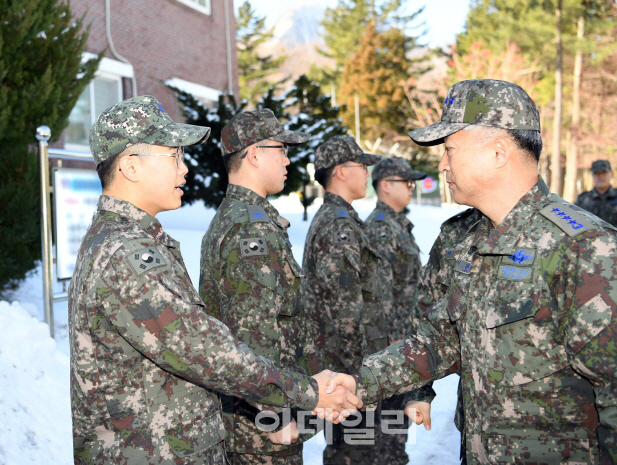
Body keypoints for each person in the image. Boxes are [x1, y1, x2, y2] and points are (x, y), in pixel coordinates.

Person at [350, 79, 617, 464]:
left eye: (450, 149)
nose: (442, 163)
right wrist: (354, 383)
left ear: (499, 152)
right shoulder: (464, 238)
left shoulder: (584, 247)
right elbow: (438, 343)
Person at [69, 96, 361, 464]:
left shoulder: (123, 240)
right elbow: (203, 348)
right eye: (172, 156)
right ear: (130, 166)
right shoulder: (125, 252)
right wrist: (304, 394)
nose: (184, 169)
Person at [199, 109, 319, 464]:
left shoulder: (240, 219)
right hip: (260, 431)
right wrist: (275, 414)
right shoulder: (252, 230)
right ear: (253, 154)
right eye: (280, 149)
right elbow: (254, 332)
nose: (287, 159)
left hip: (253, 419)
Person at [302, 135, 386, 464]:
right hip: (345, 371)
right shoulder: (340, 227)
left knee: (348, 451)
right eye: (361, 166)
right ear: (339, 172)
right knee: (354, 454)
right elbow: (346, 312)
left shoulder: (338, 220)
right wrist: (359, 383)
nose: (367, 173)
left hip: (337, 366)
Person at [365, 157, 426, 465]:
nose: (412, 188)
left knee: (395, 439)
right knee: (385, 443)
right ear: (385, 185)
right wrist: (391, 352)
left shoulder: (398, 225)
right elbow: (378, 298)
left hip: (401, 345)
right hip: (389, 349)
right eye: (406, 182)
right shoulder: (380, 229)